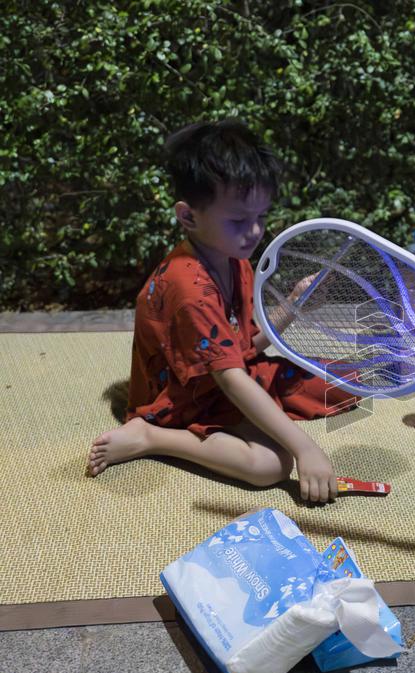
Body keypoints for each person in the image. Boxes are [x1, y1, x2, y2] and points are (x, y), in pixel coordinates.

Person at [87, 119, 358, 503]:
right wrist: (306, 449)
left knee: (340, 383)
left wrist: (295, 305)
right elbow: (231, 376)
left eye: (261, 217)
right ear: (188, 216)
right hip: (183, 397)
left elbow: (244, 345)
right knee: (271, 465)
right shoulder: (189, 287)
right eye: (238, 220)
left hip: (221, 377)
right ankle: (151, 436)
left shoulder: (232, 256)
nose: (254, 232)